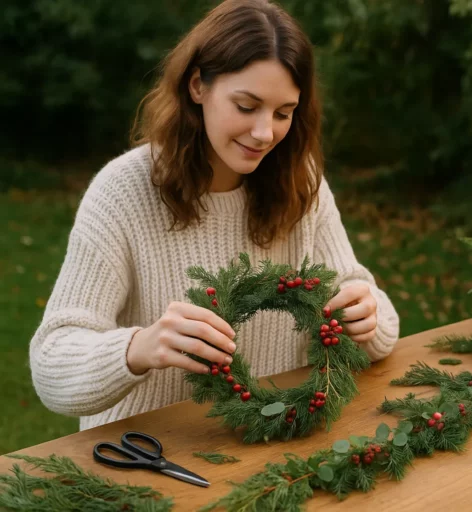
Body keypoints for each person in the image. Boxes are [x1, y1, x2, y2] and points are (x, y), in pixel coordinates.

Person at [28, 0, 400, 431]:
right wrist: (138, 347)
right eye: (246, 106)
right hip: (144, 456)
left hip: (270, 447)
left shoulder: (301, 184)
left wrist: (365, 316)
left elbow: (372, 310)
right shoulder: (123, 192)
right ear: (198, 86)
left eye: (283, 113)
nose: (265, 133)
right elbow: (51, 362)